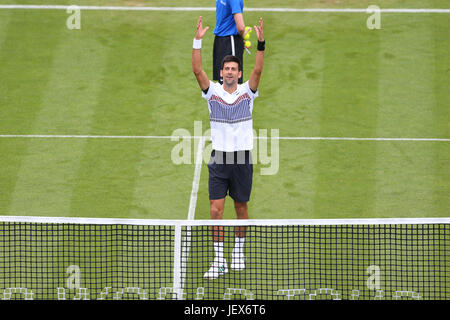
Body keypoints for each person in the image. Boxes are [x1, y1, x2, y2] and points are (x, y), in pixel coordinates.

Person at [192, 16, 265, 279]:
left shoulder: (249, 92)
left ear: (239, 73)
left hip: (243, 159)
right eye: (227, 69)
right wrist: (197, 42)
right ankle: (219, 259)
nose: (231, 72)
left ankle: (238, 252)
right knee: (215, 209)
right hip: (219, 160)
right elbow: (197, 72)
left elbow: (258, 71)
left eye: (235, 69)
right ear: (221, 73)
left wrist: (261, 44)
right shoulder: (212, 92)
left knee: (241, 208)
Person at [213, 0, 248, 84]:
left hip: (219, 42)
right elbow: (241, 27)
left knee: (222, 85)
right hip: (230, 42)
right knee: (232, 85)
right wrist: (242, 36)